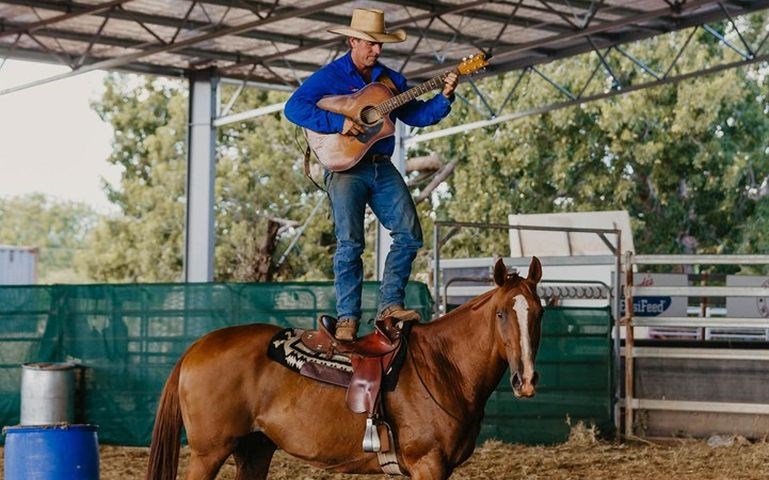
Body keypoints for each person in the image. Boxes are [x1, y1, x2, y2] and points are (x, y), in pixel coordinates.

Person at [284, 8, 457, 341]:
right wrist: (338, 122)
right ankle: (347, 318)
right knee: (350, 243)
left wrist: (445, 96)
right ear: (352, 41)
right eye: (370, 44)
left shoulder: (391, 81)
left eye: (380, 44)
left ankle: (390, 305)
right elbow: (294, 108)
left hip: (379, 164)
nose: (376, 50)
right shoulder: (330, 75)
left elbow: (417, 115)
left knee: (409, 234)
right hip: (345, 168)